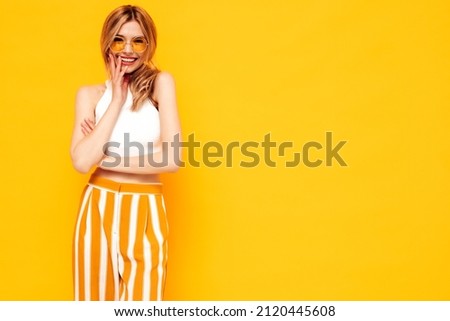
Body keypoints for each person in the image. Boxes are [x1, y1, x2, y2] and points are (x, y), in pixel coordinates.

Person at [69, 5, 181, 301]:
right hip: (97, 206)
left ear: (149, 45)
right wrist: (116, 100)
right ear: (107, 42)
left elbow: (172, 159)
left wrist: (105, 157)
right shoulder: (90, 95)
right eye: (119, 40)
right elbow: (81, 162)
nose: (128, 50)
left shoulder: (160, 85)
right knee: (92, 308)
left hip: (145, 208)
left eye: (138, 41)